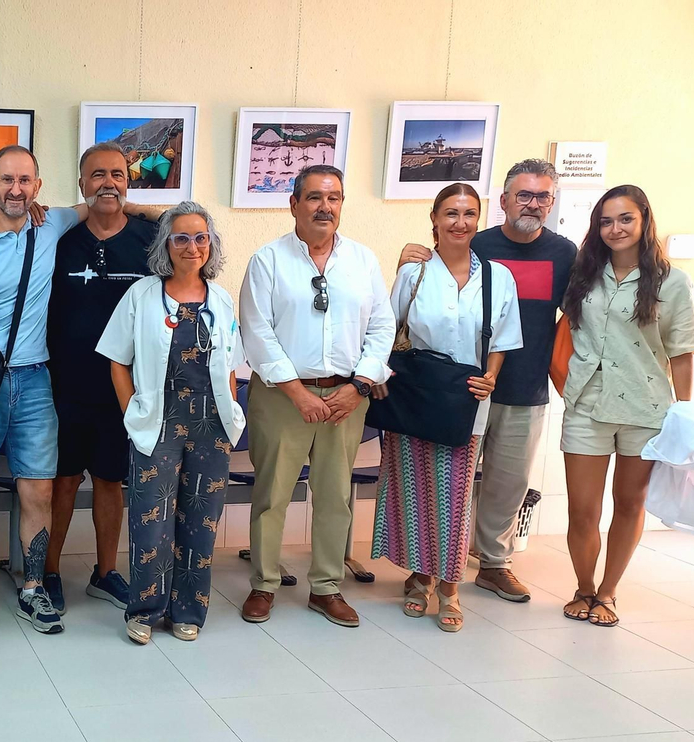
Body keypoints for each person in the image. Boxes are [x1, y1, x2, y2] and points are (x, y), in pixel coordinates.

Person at [0, 145, 150, 633]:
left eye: (25, 181)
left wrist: (153, 210)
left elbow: (104, 199)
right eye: (7, 180)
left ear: (38, 187)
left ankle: (34, 586)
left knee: (38, 486)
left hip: (37, 379)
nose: (16, 190)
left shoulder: (52, 223)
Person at [399, 159, 578, 602]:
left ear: (552, 202)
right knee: (447, 482)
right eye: (523, 195)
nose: (532, 204)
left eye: (542, 196)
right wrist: (405, 257)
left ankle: (494, 563)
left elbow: (581, 316)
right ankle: (432, 566)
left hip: (526, 386)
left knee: (509, 482)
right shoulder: (477, 242)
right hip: (461, 388)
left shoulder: (565, 254)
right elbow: (428, 284)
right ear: (504, 201)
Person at [238, 164, 393, 628]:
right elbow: (256, 331)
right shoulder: (267, 260)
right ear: (294, 204)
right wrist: (297, 392)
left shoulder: (362, 260)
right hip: (281, 397)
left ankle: (326, 587)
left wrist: (359, 386)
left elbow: (382, 327)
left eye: (334, 198)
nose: (325, 207)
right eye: (314, 197)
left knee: (334, 496)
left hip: (346, 397)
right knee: (272, 494)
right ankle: (264, 584)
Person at [373, 183, 523, 632]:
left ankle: (450, 586)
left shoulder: (497, 277)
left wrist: (491, 376)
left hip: (466, 399)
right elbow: (387, 329)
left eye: (469, 213)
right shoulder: (414, 273)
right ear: (434, 219)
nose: (460, 222)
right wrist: (378, 376)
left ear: (479, 220)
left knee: (455, 498)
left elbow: (503, 338)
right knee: (414, 491)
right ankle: (421, 577)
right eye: (451, 213)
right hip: (415, 396)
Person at [98, 202, 245, 643]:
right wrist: (131, 412)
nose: (192, 247)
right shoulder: (142, 295)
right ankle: (144, 610)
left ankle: (188, 611)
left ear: (210, 245)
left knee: (201, 522)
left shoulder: (221, 299)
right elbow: (117, 361)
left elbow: (230, 365)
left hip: (212, 426)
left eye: (201, 238)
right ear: (166, 244)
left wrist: (231, 413)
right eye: (181, 238)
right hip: (158, 423)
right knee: (151, 521)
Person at [559, 185, 694, 627]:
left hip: (645, 408)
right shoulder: (583, 273)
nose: (615, 229)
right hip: (587, 404)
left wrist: (685, 412)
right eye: (606, 221)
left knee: (628, 503)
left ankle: (607, 592)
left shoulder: (672, 282)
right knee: (582, 510)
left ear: (644, 220)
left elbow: (682, 352)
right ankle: (584, 587)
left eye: (625, 219)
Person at [43, 141, 155, 612]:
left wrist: (146, 210)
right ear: (81, 183)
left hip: (123, 389)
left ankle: (105, 573)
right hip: (64, 385)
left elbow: (196, 227)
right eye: (98, 175)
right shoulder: (59, 240)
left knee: (111, 482)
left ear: (128, 183)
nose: (108, 183)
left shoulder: (151, 240)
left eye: (117, 175)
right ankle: (48, 571)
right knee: (63, 481)